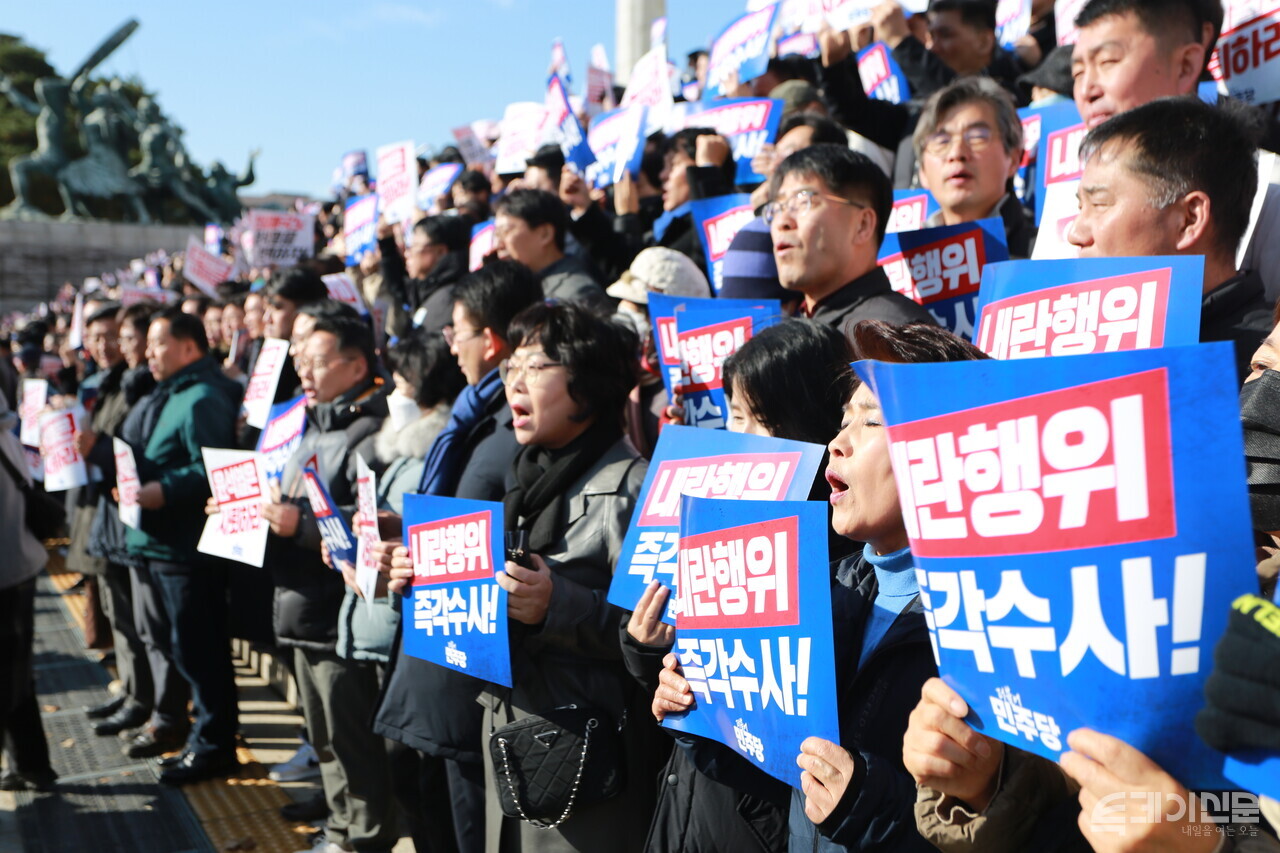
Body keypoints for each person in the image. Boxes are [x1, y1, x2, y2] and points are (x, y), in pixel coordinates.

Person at [652, 321, 989, 852]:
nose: (837, 444)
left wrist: (868, 804)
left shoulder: (990, 620)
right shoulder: (823, 589)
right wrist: (701, 714)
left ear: (947, 450)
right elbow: (785, 779)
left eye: (871, 422)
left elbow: (1016, 823)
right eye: (843, 420)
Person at [625, 318, 858, 853]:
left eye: (762, 420)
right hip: (688, 805)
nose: (742, 439)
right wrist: (652, 656)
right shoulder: (714, 528)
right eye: (735, 416)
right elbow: (682, 695)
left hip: (763, 824)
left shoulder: (843, 557)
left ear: (810, 424)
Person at [374, 260, 543, 853]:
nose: (449, 344)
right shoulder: (473, 416)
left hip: (472, 679)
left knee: (466, 828)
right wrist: (408, 539)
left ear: (490, 340)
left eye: (457, 331)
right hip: (440, 663)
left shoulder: (510, 431)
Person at [478, 300, 656, 853]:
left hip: (584, 754)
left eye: (535, 366)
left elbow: (655, 634)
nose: (515, 381)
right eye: (511, 366)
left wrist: (555, 604)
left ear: (588, 384)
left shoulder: (631, 486)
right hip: (514, 735)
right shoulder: (523, 477)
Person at [251, 315, 397, 853]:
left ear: (357, 366)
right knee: (325, 736)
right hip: (298, 603)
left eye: (317, 362)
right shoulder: (309, 423)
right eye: (301, 362)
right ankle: (339, 828)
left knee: (351, 738)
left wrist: (301, 525)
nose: (304, 374)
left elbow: (369, 523)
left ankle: (363, 836)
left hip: (336, 613)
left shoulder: (371, 433)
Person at [1067, 96, 1273, 382]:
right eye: (1080, 207)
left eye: (1100, 203)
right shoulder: (1072, 346)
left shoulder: (1265, 366)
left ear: (1188, 219)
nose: (1075, 234)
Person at [122, 308, 242, 784]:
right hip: (163, 543)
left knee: (200, 650)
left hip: (187, 549)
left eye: (158, 343)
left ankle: (214, 745)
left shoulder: (204, 396)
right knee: (186, 648)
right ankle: (204, 738)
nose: (148, 352)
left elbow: (215, 466)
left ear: (189, 347)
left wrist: (166, 490)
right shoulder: (173, 391)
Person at [83, 303, 160, 742]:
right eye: (100, 338)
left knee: (136, 619)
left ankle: (144, 699)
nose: (112, 346)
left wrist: (94, 447)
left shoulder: (142, 389)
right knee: (119, 614)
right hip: (110, 514)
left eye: (122, 337)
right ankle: (132, 690)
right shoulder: (114, 383)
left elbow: (130, 454)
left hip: (131, 517)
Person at [764, 144, 937, 332]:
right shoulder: (805, 327)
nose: (782, 222)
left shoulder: (894, 334)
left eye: (803, 201)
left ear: (863, 225)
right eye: (777, 207)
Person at [913, 77, 1037, 257]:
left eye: (977, 136)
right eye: (941, 141)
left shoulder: (1045, 254)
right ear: (922, 171)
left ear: (1013, 158)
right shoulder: (902, 266)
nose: (957, 153)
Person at [0, 390, 55, 793]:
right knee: (15, 673)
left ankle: (30, 764)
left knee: (9, 676)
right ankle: (31, 764)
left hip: (6, 574)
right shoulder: (6, 429)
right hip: (19, 565)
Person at [494, 189, 608, 311]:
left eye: (505, 231)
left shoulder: (576, 294)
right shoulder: (520, 285)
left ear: (545, 234)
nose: (498, 244)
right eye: (497, 234)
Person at [379, 214, 472, 337]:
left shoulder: (451, 298)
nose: (407, 254)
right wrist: (386, 243)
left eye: (414, 246)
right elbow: (397, 289)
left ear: (441, 251)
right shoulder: (424, 289)